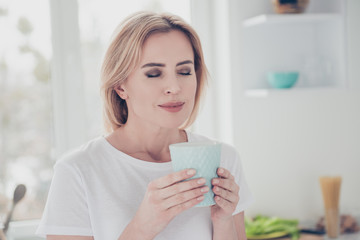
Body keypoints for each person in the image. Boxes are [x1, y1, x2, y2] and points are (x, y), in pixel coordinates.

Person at [36, 11, 253, 240]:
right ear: (121, 86)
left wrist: (223, 222)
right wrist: (143, 227)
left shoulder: (223, 159)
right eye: (153, 73)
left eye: (184, 71)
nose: (174, 87)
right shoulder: (78, 170)